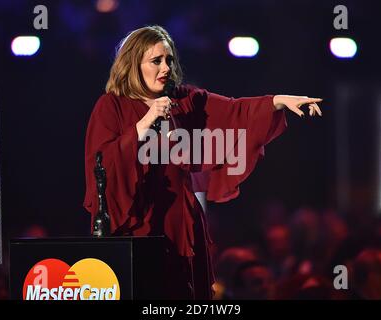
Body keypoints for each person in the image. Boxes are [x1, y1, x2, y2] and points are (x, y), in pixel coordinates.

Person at [83, 25, 323, 299]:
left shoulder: (184, 101)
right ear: (133, 65)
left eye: (169, 60)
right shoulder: (111, 106)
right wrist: (146, 122)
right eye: (156, 61)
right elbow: (101, 164)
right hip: (137, 223)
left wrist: (279, 101)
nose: (165, 68)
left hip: (182, 222)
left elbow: (234, 111)